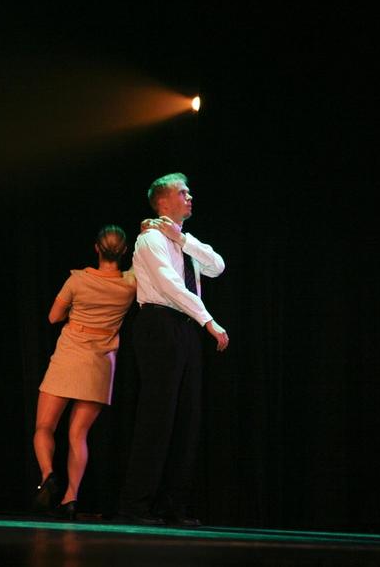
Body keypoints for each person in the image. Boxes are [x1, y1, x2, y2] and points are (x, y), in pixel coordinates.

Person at [115, 172, 229, 526]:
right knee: (157, 417)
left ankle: (173, 504)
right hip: (160, 324)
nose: (190, 197)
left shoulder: (180, 240)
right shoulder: (149, 239)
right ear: (163, 201)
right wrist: (209, 321)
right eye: (183, 192)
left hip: (184, 327)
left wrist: (183, 239)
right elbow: (170, 286)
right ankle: (135, 504)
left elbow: (217, 266)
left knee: (186, 418)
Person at [33, 225, 137, 520]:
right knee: (78, 434)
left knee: (44, 427)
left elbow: (53, 317)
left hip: (69, 356)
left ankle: (48, 475)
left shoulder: (77, 280)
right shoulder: (131, 284)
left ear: (96, 248)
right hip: (99, 363)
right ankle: (71, 498)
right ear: (124, 251)